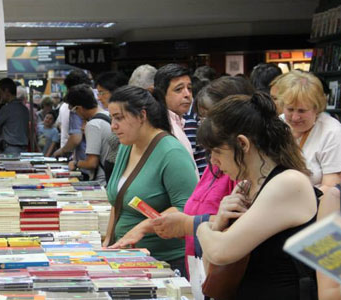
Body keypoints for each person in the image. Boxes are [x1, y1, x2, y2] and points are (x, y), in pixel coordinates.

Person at [153, 92, 318, 299]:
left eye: (217, 152)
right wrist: (219, 223)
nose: (213, 162)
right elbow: (212, 265)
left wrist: (203, 226)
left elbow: (220, 251)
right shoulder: (246, 186)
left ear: (243, 144)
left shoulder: (288, 183)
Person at [105, 85, 198, 277]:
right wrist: (107, 241)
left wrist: (143, 227)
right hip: (127, 258)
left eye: (119, 118)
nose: (113, 125)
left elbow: (187, 208)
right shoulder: (127, 146)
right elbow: (118, 202)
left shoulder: (172, 153)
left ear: (142, 116)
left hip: (165, 262)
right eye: (112, 118)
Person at [183, 76, 254, 278]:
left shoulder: (242, 169)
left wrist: (193, 225)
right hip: (203, 270)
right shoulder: (216, 163)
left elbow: (235, 230)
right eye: (202, 118)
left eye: (210, 118)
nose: (203, 125)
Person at [274, 70, 341, 193]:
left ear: (317, 108)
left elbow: (331, 188)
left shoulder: (332, 132)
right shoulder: (279, 123)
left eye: (302, 111)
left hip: (315, 206)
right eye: (290, 109)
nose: (294, 117)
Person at [154, 64, 198, 177]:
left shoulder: (180, 121)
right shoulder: (161, 127)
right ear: (162, 94)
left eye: (189, 88)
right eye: (179, 89)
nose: (187, 95)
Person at [66, 84, 112, 185]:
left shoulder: (93, 125)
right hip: (111, 179)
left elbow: (92, 163)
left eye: (74, 110)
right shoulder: (108, 115)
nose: (76, 114)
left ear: (80, 108)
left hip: (101, 182)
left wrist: (76, 163)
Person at [53, 69, 91, 161]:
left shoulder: (74, 106)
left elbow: (75, 138)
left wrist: (61, 151)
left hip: (79, 158)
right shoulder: (100, 100)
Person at [0, 78, 29, 155]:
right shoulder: (24, 108)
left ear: (6, 91)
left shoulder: (7, 109)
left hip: (9, 149)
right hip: (22, 149)